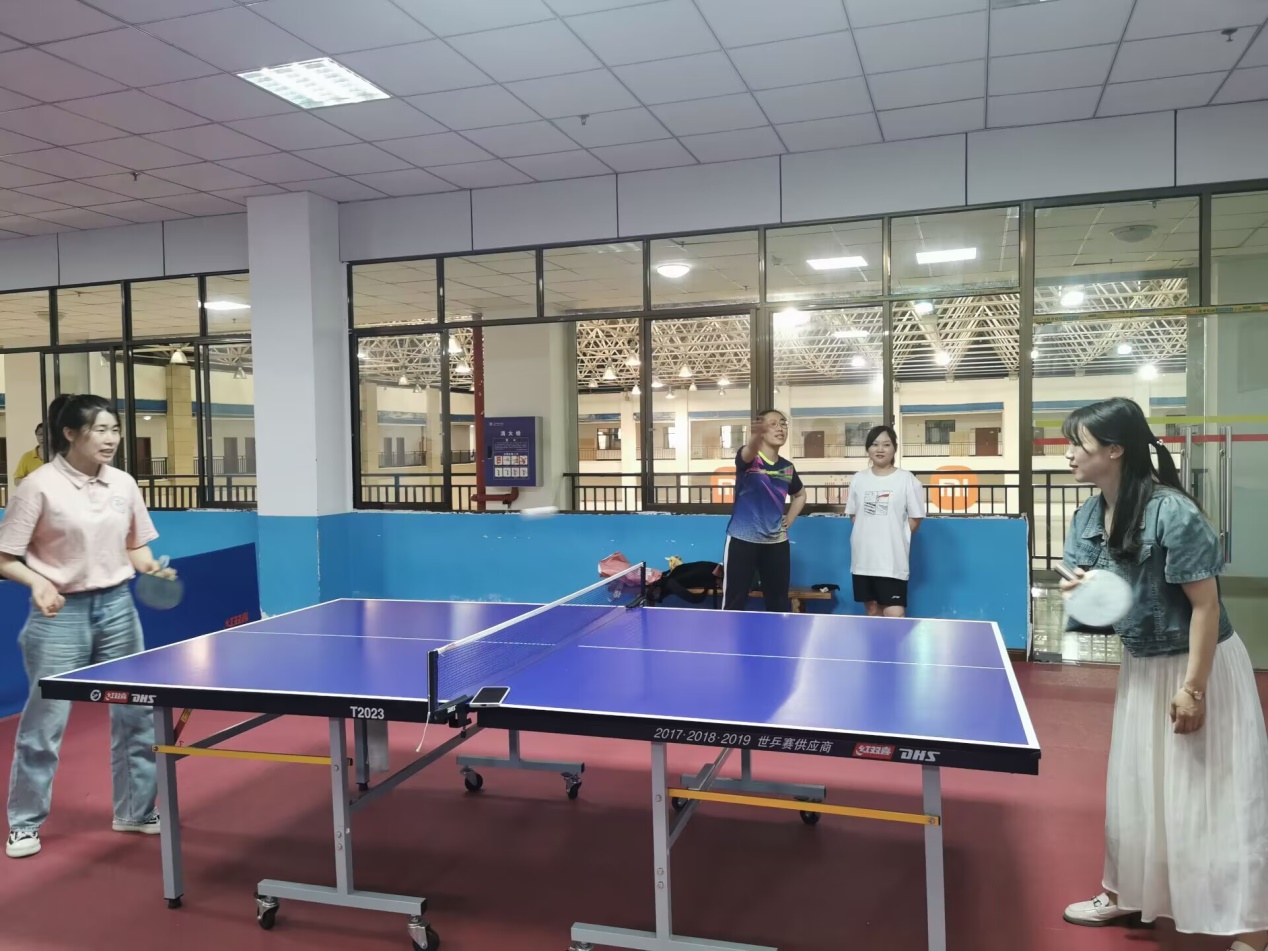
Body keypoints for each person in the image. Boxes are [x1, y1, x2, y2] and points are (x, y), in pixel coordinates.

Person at [1059, 397, 1268, 951]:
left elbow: (1205, 606)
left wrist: (1193, 690)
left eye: (1078, 445)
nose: (1069, 455)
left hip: (1197, 663)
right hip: (1143, 665)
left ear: (1114, 450)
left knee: (1213, 792)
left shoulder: (1173, 511)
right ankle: (1127, 891)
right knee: (1137, 786)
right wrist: (1084, 592)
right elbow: (1091, 591)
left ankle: (1251, 926)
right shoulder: (1087, 515)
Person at [1, 394, 175, 859]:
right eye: (100, 429)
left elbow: (135, 545)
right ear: (70, 433)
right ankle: (24, 823)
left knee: (136, 713)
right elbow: (4, 557)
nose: (111, 438)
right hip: (61, 615)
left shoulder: (123, 482)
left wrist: (151, 567)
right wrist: (38, 581)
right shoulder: (37, 487)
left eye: (114, 429)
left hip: (118, 608)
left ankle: (135, 811)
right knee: (45, 722)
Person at [721, 409, 806, 612]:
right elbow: (748, 451)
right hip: (743, 539)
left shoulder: (786, 467)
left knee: (778, 604)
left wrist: (789, 519)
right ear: (760, 431)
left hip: (777, 543)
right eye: (773, 424)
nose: (780, 428)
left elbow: (800, 495)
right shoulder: (749, 459)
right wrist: (755, 437)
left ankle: (777, 635)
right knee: (734, 601)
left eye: (783, 424)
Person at [845, 425, 925, 617]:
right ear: (868, 449)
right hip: (863, 559)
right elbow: (854, 515)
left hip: (892, 561)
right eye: (874, 444)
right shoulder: (858, 479)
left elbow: (915, 518)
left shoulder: (907, 479)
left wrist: (897, 537)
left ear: (894, 448)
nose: (880, 449)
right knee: (872, 610)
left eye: (886, 444)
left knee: (894, 614)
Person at [12, 395, 70, 487]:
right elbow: (16, 480)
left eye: (46, 434)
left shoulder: (59, 454)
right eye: (40, 434)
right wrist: (32, 484)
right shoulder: (27, 457)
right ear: (36, 436)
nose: (43, 438)